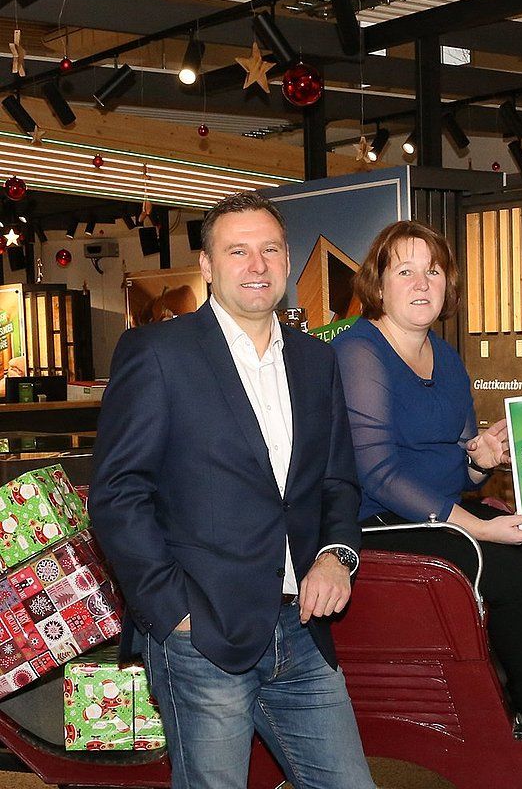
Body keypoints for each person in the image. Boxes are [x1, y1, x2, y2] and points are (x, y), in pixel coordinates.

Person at [89, 192, 374, 789]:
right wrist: (173, 610)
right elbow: (118, 493)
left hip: (301, 631)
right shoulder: (158, 353)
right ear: (209, 265)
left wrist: (337, 556)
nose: (257, 264)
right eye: (237, 251)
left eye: (270, 249)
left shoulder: (316, 361)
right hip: (204, 636)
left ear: (287, 259)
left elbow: (336, 481)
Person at [331, 221, 522, 725]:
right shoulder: (358, 352)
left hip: (444, 514)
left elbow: (463, 465)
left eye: (433, 271)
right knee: (511, 572)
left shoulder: (445, 356)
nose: (422, 283)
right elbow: (378, 475)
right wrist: (480, 528)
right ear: (378, 285)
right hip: (383, 521)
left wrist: (479, 459)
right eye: (405, 271)